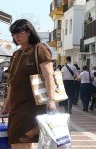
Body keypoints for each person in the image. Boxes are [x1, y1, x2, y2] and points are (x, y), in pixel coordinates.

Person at [0, 19, 56, 149]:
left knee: (20, 140)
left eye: (20, 33)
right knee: (19, 141)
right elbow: (12, 83)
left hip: (31, 105)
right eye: (14, 34)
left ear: (29, 32)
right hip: (16, 106)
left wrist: (51, 100)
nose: (17, 36)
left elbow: (49, 76)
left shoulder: (40, 49)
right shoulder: (16, 54)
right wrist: (6, 105)